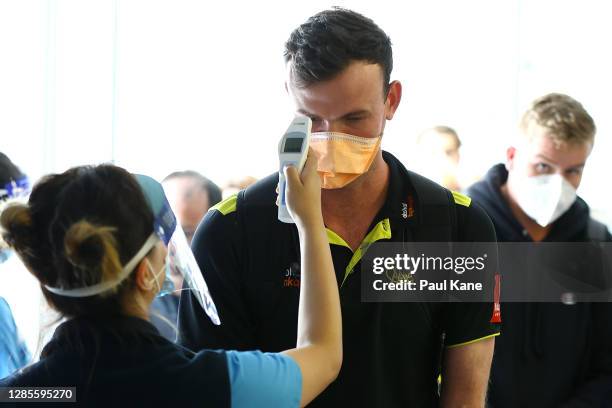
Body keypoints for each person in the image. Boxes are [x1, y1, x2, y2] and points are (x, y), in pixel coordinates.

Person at [178, 8, 499, 407]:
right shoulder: (232, 231)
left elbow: (465, 396)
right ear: (289, 100)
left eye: (354, 118)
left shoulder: (456, 227)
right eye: (312, 118)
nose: (331, 138)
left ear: (391, 100)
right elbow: (208, 393)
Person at [0, 159, 342, 407]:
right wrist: (309, 221)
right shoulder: (213, 383)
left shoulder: (21, 392)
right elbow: (323, 355)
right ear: (144, 274)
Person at [467, 93, 612, 407]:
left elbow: (607, 361)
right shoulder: (458, 231)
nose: (557, 184)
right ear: (512, 156)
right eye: (543, 166)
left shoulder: (595, 242)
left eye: (573, 171)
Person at [150, 171, 222, 340]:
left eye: (186, 233)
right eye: (160, 230)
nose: (169, 246)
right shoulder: (136, 310)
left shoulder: (229, 302)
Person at [414, 126, 463, 191]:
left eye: (449, 152)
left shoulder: (474, 194)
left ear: (458, 155)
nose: (443, 158)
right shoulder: (406, 194)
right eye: (433, 152)